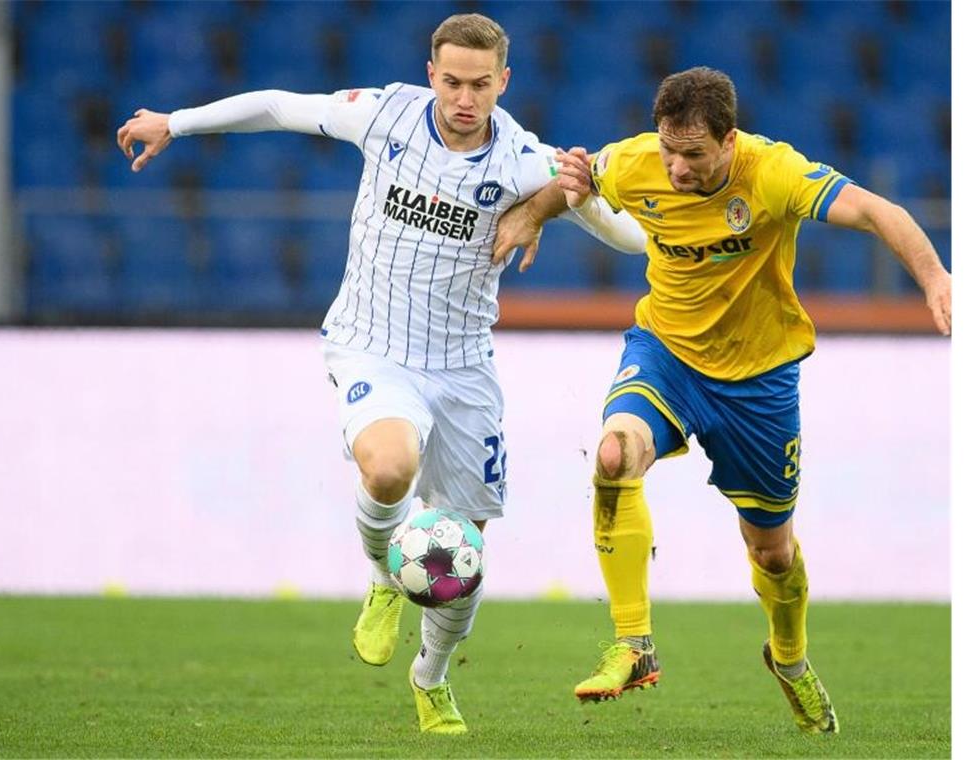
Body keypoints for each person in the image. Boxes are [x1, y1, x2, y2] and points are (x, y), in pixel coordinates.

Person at [115, 13, 646, 735]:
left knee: (464, 552)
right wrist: (174, 123)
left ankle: (430, 677)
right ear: (432, 74)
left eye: (480, 85)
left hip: (463, 366)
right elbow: (280, 106)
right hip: (373, 345)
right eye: (452, 81)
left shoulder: (522, 157)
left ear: (503, 83)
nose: (464, 98)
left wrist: (588, 206)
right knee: (390, 469)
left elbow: (614, 228)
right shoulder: (388, 114)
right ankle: (382, 576)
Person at [492, 66, 951, 735]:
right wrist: (535, 213)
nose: (676, 169)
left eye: (694, 156)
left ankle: (789, 660)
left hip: (759, 382)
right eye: (668, 150)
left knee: (773, 554)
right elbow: (581, 181)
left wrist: (935, 274)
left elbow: (881, 213)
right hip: (667, 354)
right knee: (615, 453)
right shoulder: (636, 162)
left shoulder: (774, 174)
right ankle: (633, 644)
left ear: (729, 141)